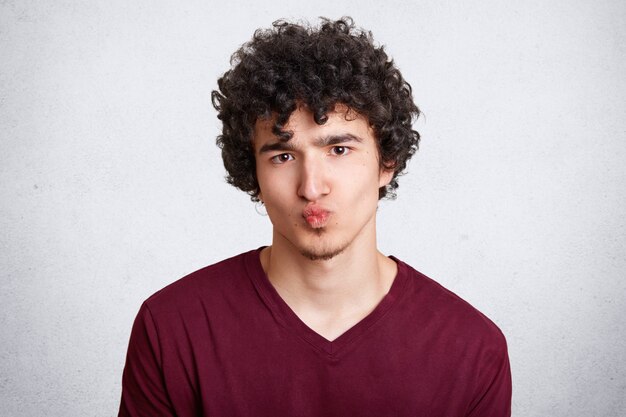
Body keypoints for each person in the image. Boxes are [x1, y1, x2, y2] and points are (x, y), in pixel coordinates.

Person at [119, 17, 512, 417]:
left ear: (387, 161)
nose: (311, 186)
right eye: (283, 156)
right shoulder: (172, 328)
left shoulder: (473, 349)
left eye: (339, 150)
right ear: (252, 171)